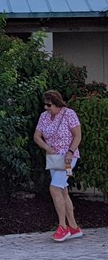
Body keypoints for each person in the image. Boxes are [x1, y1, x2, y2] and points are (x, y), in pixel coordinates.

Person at [33, 89, 83, 242]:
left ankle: (63, 226)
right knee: (62, 191)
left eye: (49, 105)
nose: (46, 108)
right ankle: (74, 227)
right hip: (54, 159)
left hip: (68, 159)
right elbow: (37, 136)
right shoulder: (44, 117)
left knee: (54, 188)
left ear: (57, 103)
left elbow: (77, 135)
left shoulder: (69, 114)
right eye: (45, 105)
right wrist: (48, 148)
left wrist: (70, 151)